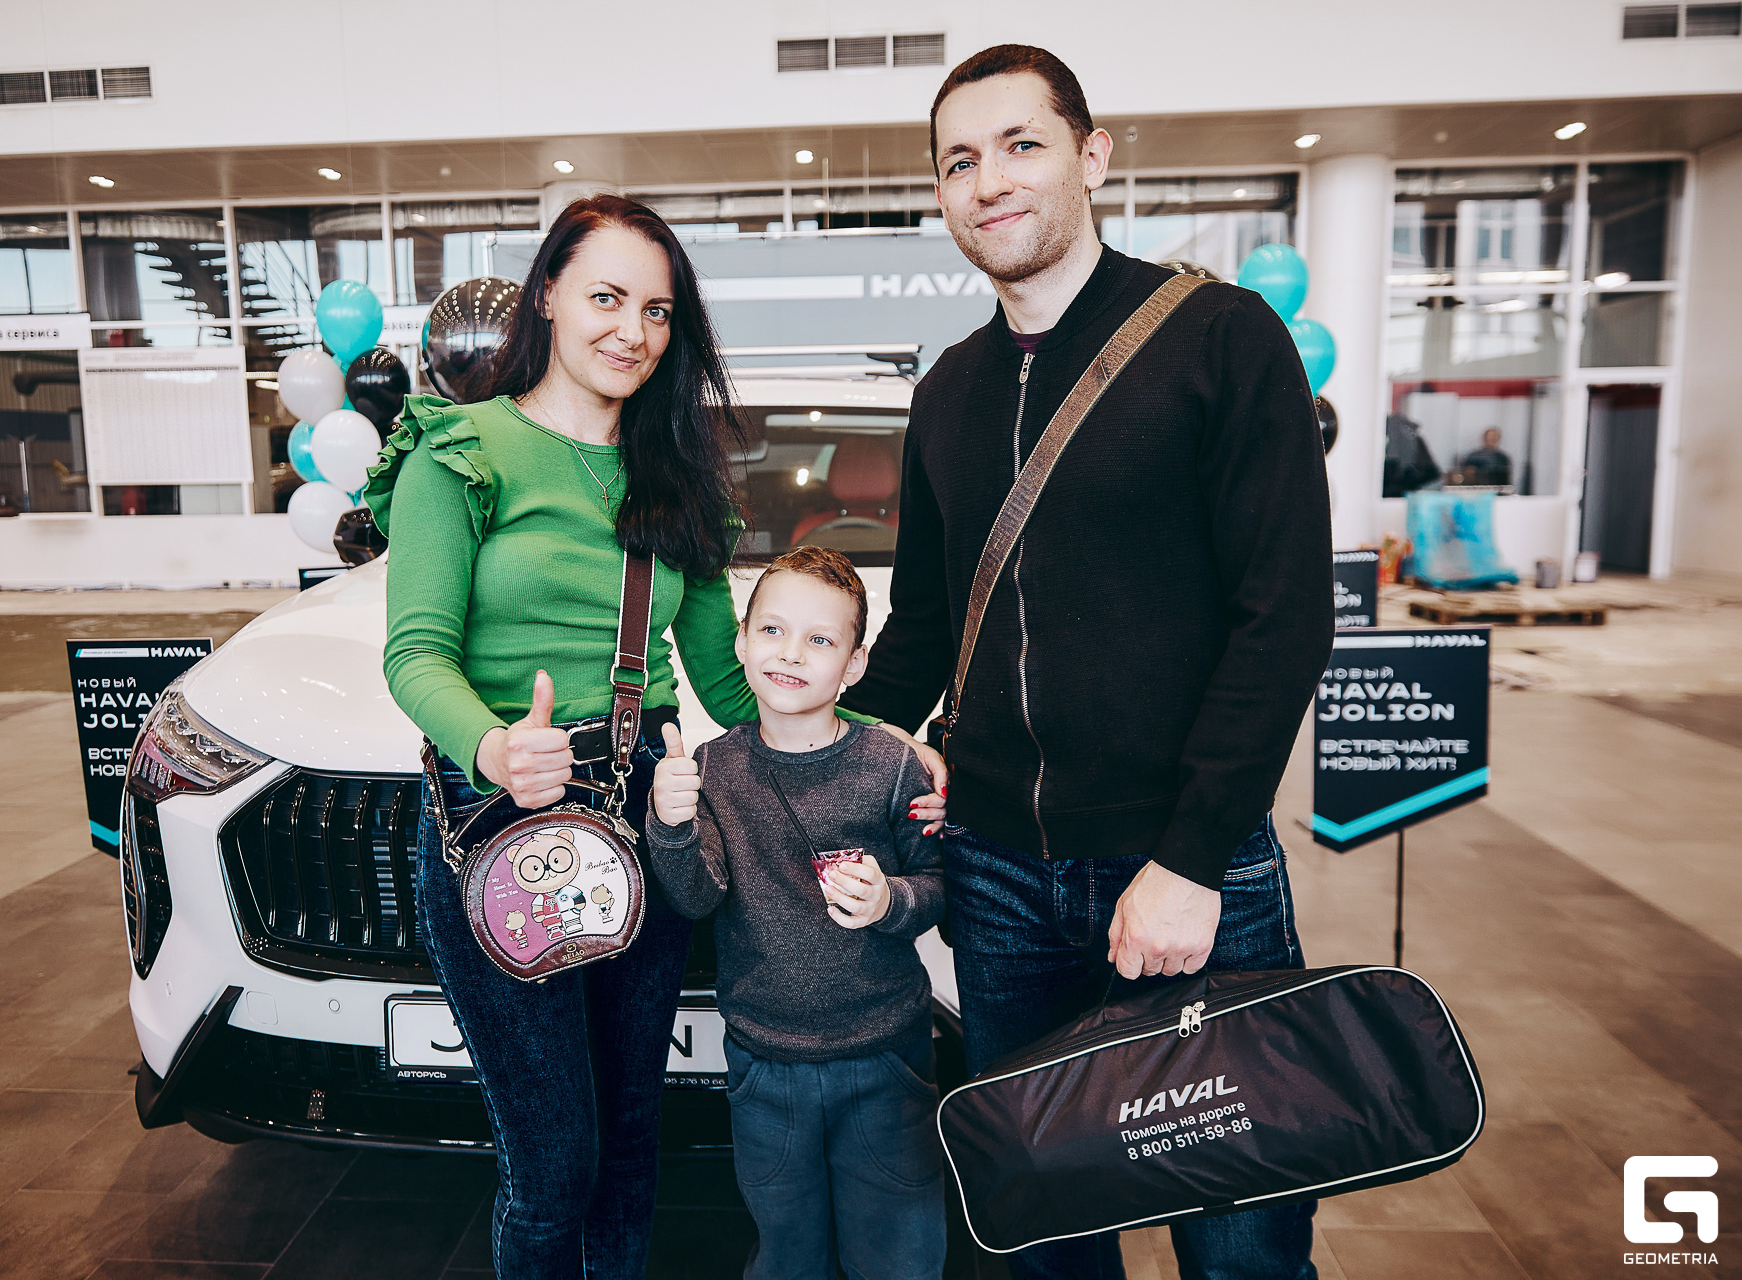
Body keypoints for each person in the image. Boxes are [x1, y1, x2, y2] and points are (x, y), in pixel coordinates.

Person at [368, 194, 947, 1280]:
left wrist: (891, 742)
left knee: (634, 1136)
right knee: (554, 1166)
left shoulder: (677, 476)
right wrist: (494, 747)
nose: (632, 330)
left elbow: (734, 683)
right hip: (504, 818)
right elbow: (415, 654)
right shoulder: (463, 448)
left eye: (658, 310)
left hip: (648, 811)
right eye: (607, 297)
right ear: (547, 293)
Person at [839, 46, 1334, 1280]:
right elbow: (923, 626)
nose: (990, 180)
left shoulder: (1221, 336)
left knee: (1243, 1243)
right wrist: (802, 753)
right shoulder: (949, 391)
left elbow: (1283, 616)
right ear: (940, 193)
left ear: (1092, 155)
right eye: (960, 160)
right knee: (1049, 1237)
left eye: (1022, 145)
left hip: (1190, 872)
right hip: (998, 878)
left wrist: (1191, 857)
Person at [645, 546, 947, 1280]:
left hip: (886, 1057)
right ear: (741, 642)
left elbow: (940, 884)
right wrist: (671, 825)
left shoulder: (892, 766)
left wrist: (891, 900)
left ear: (854, 664)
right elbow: (697, 897)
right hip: (764, 1064)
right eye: (773, 631)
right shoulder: (712, 769)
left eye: (820, 639)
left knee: (900, 1253)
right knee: (787, 1252)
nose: (790, 654)